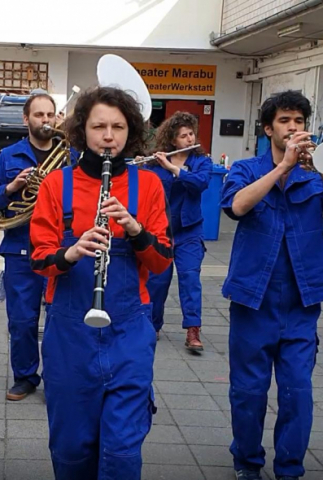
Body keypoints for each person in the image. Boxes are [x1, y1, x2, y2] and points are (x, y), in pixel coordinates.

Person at [30, 86, 174, 480]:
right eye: (99, 127)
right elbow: (39, 260)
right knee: (72, 447)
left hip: (129, 330)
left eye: (118, 126)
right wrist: (72, 252)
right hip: (70, 331)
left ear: (131, 132)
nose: (108, 136)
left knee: (123, 450)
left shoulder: (149, 186)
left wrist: (135, 229)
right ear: (82, 131)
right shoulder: (55, 185)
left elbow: (161, 262)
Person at [221, 90, 322, 480]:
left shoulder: (315, 175)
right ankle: (247, 462)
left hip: (301, 301)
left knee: (298, 391)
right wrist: (283, 168)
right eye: (284, 121)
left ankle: (290, 468)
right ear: (268, 129)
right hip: (252, 299)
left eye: (299, 121)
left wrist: (314, 169)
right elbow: (237, 207)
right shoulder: (247, 169)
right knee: (249, 391)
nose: (293, 128)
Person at [0, 91, 78, 401]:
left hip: (59, 246)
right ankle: (24, 377)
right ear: (26, 120)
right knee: (21, 320)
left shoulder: (70, 155)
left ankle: (57, 378)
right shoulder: (10, 156)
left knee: (59, 318)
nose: (46, 120)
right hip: (20, 248)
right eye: (39, 115)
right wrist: (13, 187)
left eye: (50, 115)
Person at [145, 112, 212, 350]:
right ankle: (152, 325)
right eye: (183, 135)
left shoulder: (202, 162)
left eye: (191, 134)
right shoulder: (155, 164)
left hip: (189, 231)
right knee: (157, 281)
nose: (188, 138)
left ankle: (193, 330)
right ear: (173, 140)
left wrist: (174, 169)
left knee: (190, 278)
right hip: (162, 230)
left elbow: (200, 183)